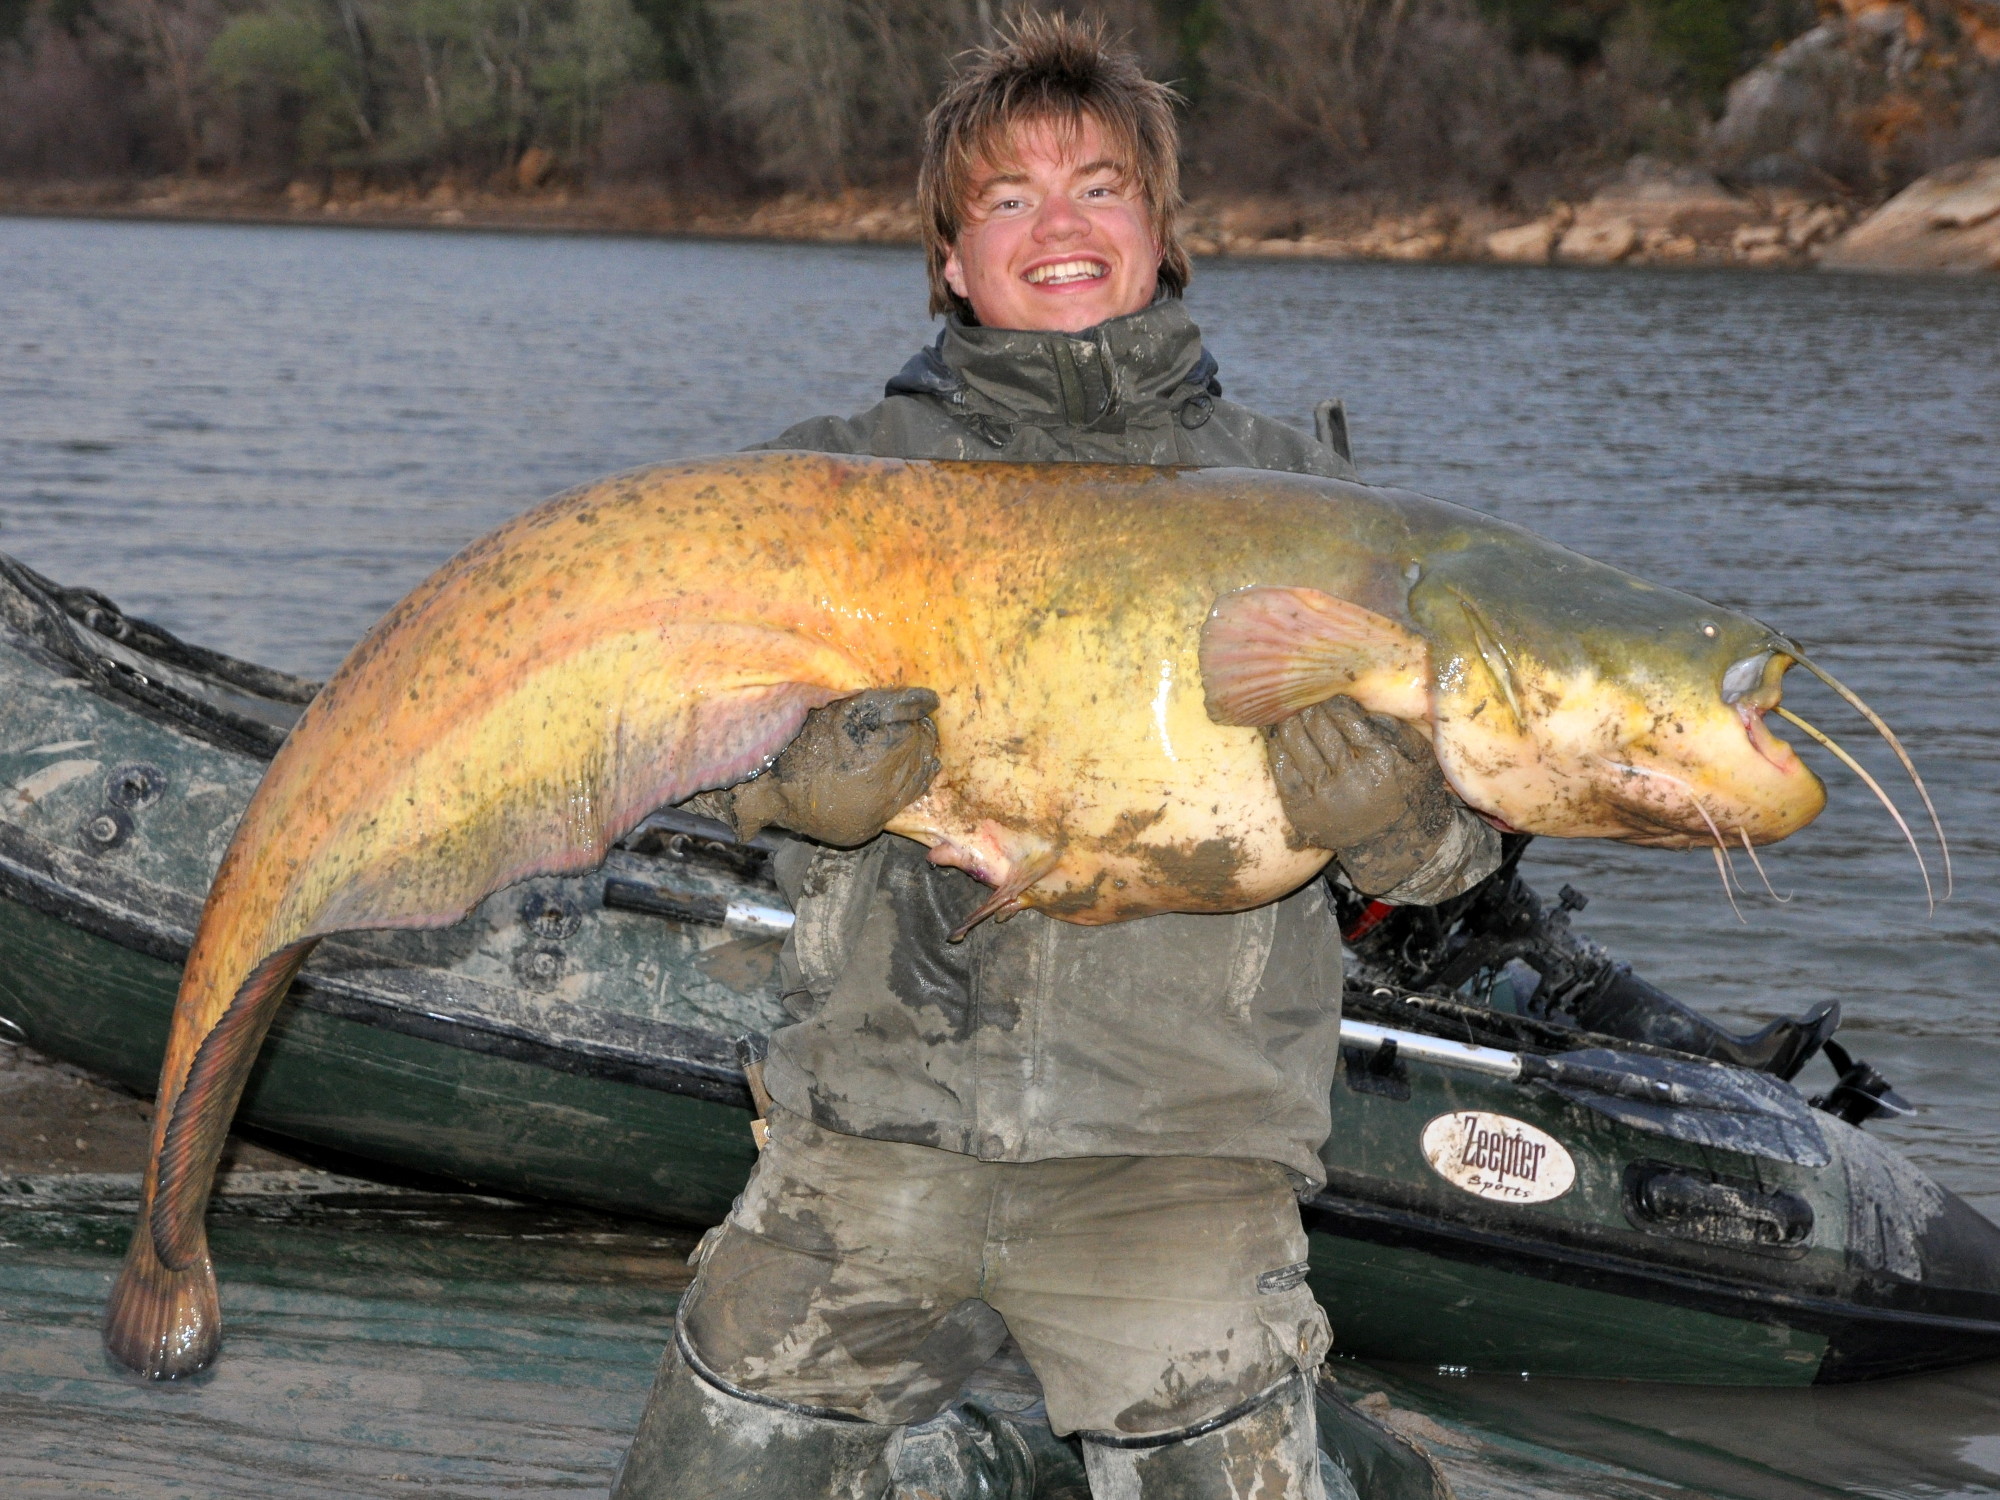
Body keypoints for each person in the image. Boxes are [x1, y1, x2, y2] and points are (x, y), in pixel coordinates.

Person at [613, 18, 1499, 1499]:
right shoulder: (828, 482)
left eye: (1100, 185)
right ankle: (964, 1471)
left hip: (1181, 1163)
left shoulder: (1316, 507)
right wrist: (785, 793)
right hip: (866, 1139)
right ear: (951, 260)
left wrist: (1399, 820)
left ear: (1161, 233)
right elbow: (667, 742)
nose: (1062, 225)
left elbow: (1473, 836)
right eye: (1007, 199)